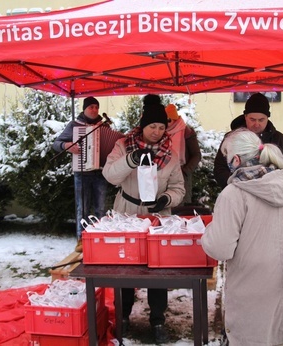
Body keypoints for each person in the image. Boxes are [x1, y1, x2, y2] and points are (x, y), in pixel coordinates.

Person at [202, 128, 283, 346]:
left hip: (250, 304)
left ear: (235, 159)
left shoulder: (233, 194)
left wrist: (207, 234)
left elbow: (220, 248)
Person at [102, 98, 185, 344]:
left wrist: (167, 199)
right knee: (124, 266)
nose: (157, 132)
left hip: (158, 216)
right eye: (152, 127)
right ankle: (124, 314)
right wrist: (131, 160)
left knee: (157, 268)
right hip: (126, 212)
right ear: (142, 125)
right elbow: (109, 176)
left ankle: (157, 318)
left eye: (161, 127)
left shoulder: (171, 154)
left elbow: (179, 188)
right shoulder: (123, 145)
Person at [52, 96, 124, 249]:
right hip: (82, 173)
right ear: (84, 109)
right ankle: (81, 242)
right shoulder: (74, 125)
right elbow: (56, 144)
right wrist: (67, 145)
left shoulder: (104, 127)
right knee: (82, 209)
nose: (94, 110)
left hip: (100, 173)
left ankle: (100, 240)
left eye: (96, 107)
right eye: (91, 107)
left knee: (101, 208)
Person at [213, 92, 283, 189]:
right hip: (237, 192)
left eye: (261, 120)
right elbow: (220, 168)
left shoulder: (280, 140)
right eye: (252, 119)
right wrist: (234, 185)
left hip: (272, 193)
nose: (256, 124)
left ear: (267, 118)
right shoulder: (231, 139)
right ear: (245, 117)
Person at [165, 103, 202, 205]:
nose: (166, 123)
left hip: (181, 175)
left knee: (181, 205)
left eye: (169, 120)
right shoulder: (161, 132)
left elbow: (196, 155)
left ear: (175, 119)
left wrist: (185, 171)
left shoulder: (186, 132)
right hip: (164, 174)